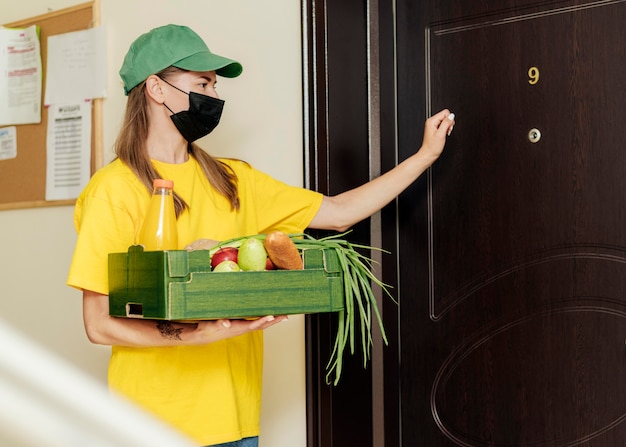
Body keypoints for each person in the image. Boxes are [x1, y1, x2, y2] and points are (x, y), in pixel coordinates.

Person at [66, 24, 454, 447]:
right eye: (201, 83)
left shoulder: (234, 180)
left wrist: (424, 156)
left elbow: (340, 213)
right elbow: (99, 324)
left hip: (236, 422)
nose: (213, 97)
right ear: (156, 89)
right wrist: (195, 335)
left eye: (214, 85)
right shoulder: (114, 190)